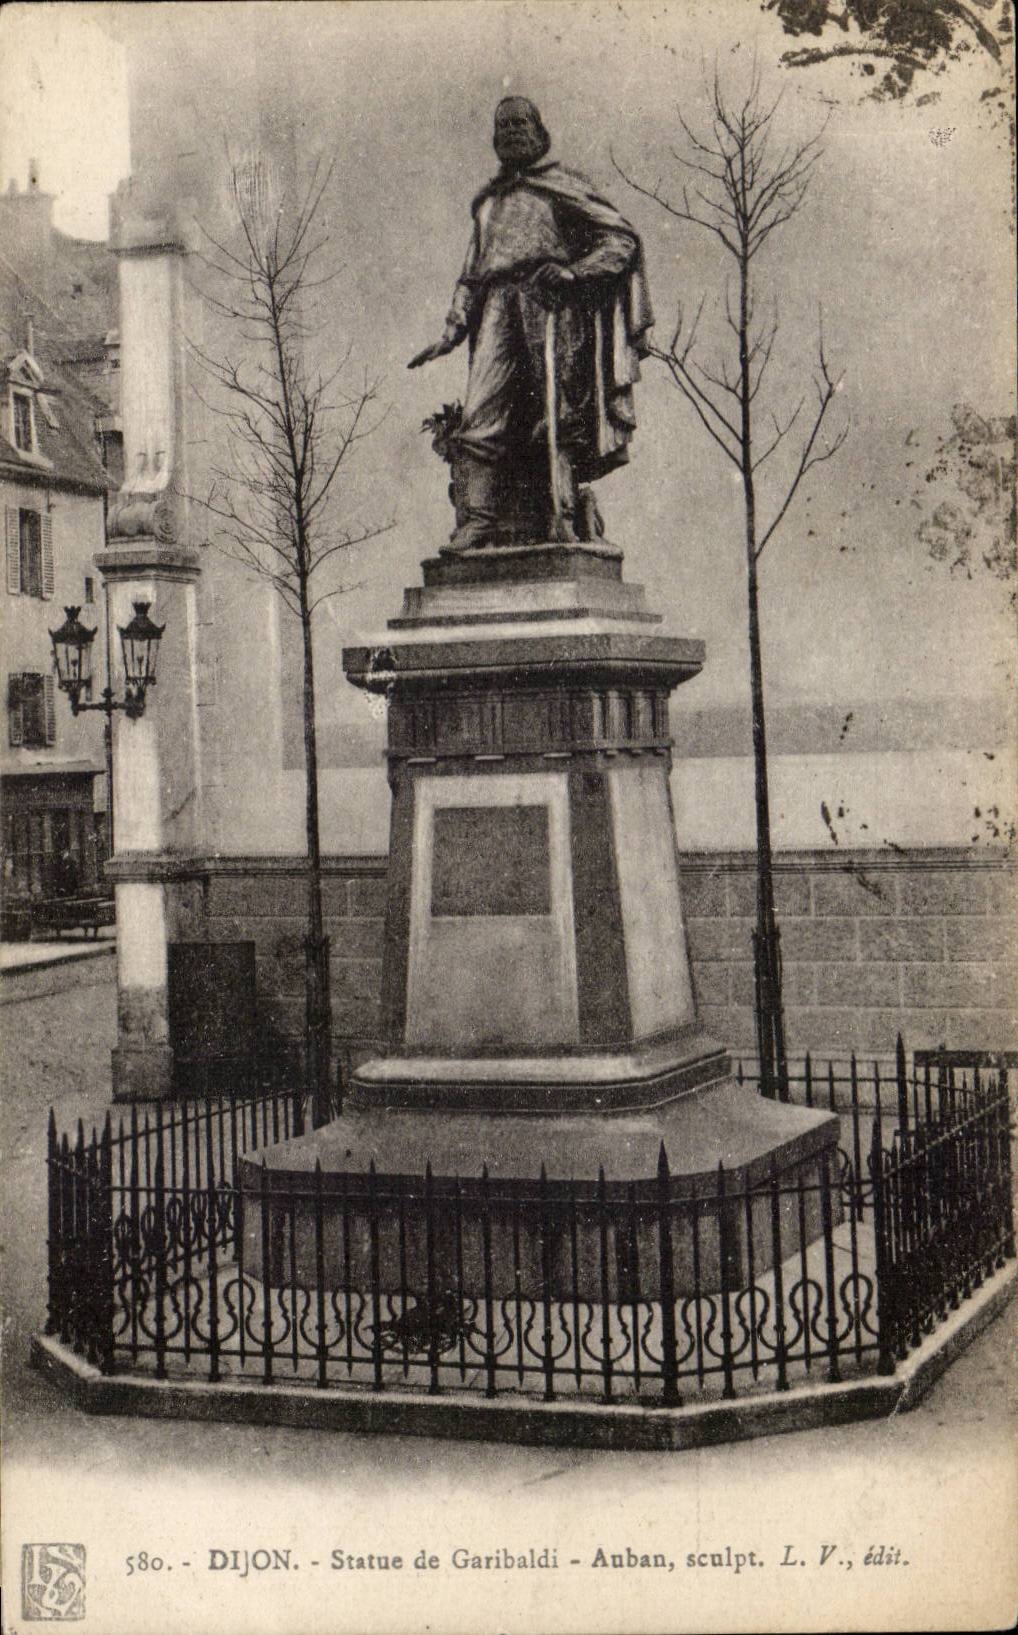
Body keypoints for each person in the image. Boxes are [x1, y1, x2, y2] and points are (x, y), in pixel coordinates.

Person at [409, 96, 653, 550]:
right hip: (496, 308)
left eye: (522, 123)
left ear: (540, 132)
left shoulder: (563, 186)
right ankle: (478, 519)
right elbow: (471, 273)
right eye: (503, 125)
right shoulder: (487, 205)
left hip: (551, 306)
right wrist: (451, 330)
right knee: (481, 410)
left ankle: (561, 517)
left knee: (556, 415)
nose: (513, 131)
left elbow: (621, 241)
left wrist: (574, 273)